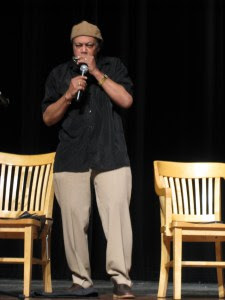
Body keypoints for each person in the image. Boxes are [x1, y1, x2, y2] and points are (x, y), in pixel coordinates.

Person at [42, 20, 134, 299]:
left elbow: (126, 100)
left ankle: (121, 280)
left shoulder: (113, 67)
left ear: (98, 47)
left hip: (111, 155)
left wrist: (96, 73)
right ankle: (81, 280)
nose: (83, 50)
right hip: (72, 156)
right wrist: (69, 94)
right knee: (73, 220)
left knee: (117, 219)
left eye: (88, 46)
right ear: (72, 46)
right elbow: (48, 118)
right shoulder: (60, 74)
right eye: (78, 45)